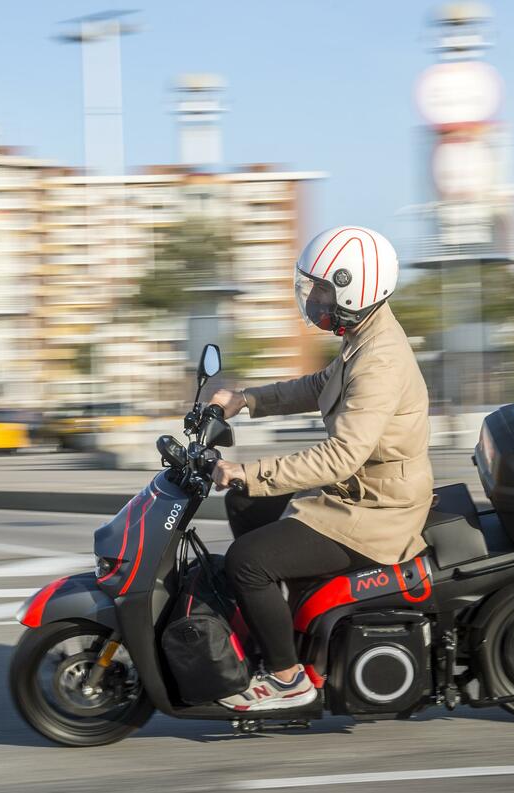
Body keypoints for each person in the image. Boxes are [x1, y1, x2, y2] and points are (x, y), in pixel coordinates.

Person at [207, 226, 433, 712]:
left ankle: (289, 680)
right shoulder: (364, 334)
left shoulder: (378, 359)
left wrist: (245, 469)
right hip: (360, 492)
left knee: (247, 560)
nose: (314, 300)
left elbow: (340, 457)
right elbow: (317, 386)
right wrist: (246, 399)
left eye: (324, 290)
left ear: (355, 289)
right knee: (245, 501)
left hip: (376, 510)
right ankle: (283, 619)